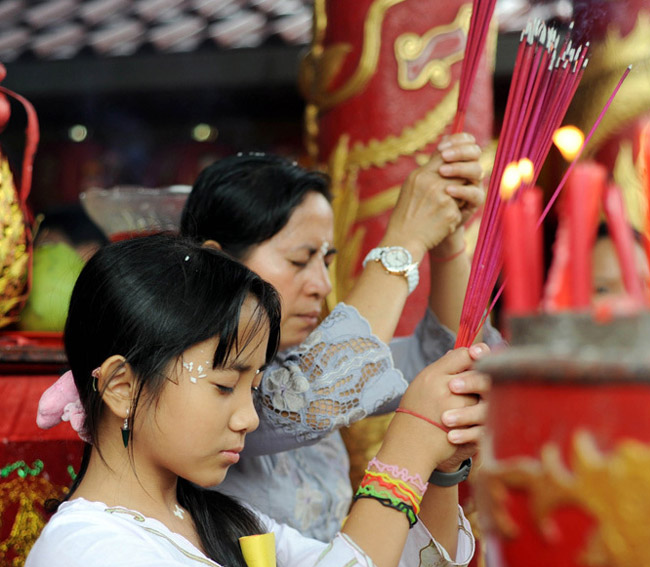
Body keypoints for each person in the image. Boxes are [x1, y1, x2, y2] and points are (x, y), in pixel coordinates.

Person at [22, 234, 482, 567]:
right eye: (224, 385)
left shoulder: (226, 520)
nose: (250, 417)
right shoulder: (83, 554)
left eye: (253, 385)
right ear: (122, 388)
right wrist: (402, 453)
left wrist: (440, 469)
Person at [180, 134, 494, 541]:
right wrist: (404, 239)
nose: (321, 285)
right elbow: (313, 391)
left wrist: (446, 235)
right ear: (217, 261)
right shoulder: (197, 373)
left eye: (326, 261)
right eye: (299, 259)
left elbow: (449, 359)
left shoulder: (299, 356)